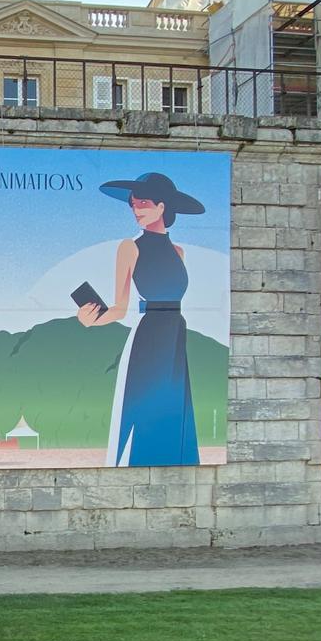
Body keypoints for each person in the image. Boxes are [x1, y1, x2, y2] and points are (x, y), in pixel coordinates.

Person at [78, 171, 204, 467]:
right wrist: (90, 320)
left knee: (172, 411)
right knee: (145, 410)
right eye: (133, 204)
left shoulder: (179, 252)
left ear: (162, 207)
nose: (136, 210)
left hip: (175, 335)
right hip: (148, 337)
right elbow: (120, 307)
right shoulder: (129, 247)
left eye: (143, 203)